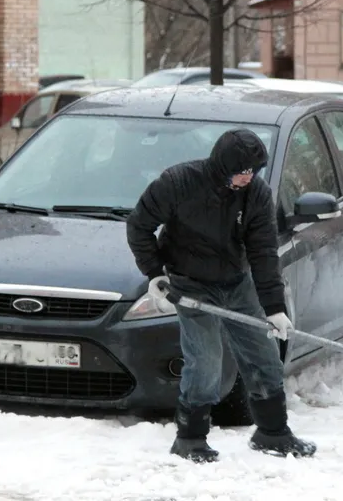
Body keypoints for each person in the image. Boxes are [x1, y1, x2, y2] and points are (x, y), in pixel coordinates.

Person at [125, 128, 317, 463]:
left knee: (264, 355)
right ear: (224, 165)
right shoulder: (178, 183)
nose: (249, 178)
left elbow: (263, 252)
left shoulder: (256, 194)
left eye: (253, 171)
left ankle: (272, 433)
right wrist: (155, 273)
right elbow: (139, 225)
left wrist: (274, 308)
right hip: (190, 284)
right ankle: (190, 439)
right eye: (243, 171)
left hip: (236, 282)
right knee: (206, 362)